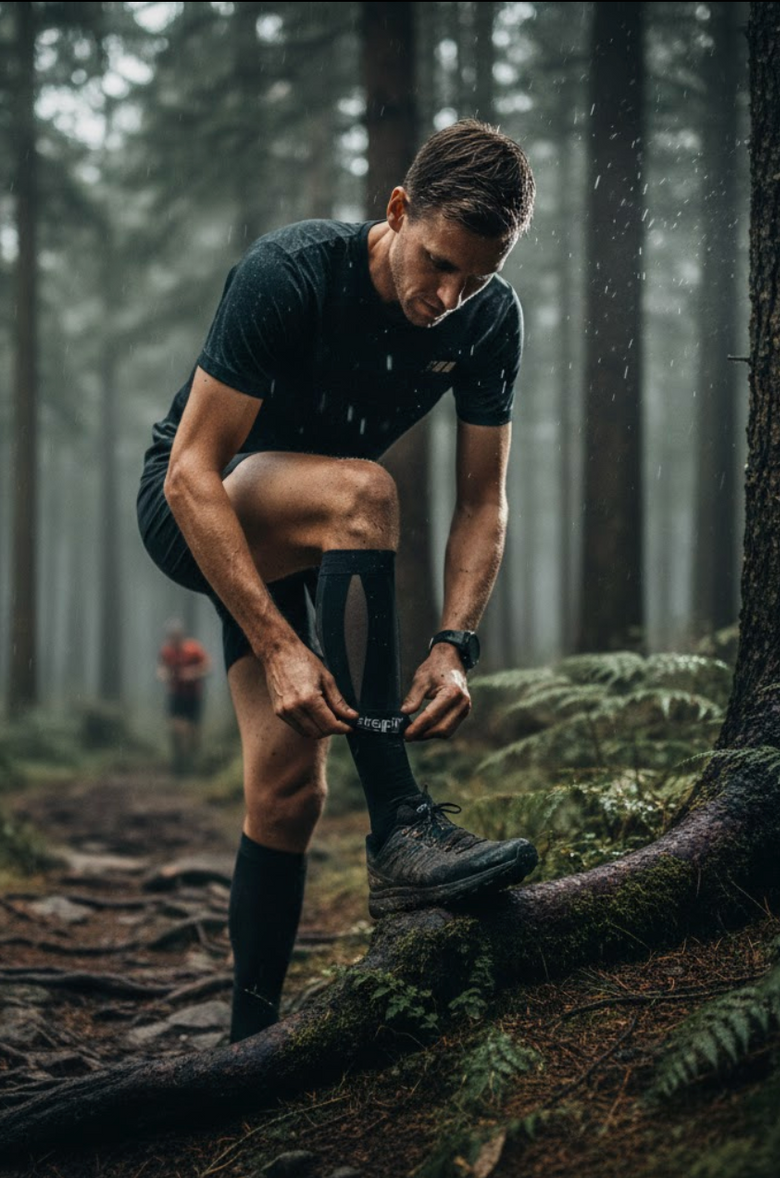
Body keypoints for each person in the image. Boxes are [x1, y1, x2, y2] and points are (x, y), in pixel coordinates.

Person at [137, 119, 538, 1043]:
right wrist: (279, 646)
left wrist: (453, 645)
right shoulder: (292, 271)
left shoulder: (489, 318)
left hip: (313, 535)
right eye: (436, 261)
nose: (448, 295)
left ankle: (251, 1045)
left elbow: (485, 501)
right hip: (197, 514)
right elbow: (190, 472)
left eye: (474, 277)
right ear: (398, 210)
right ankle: (401, 823)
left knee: (288, 791)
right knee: (365, 489)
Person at [156, 619, 211, 774]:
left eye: (176, 636)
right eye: (171, 636)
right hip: (176, 694)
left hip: (193, 695)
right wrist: (165, 675)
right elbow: (161, 669)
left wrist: (192, 673)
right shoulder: (167, 652)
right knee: (176, 728)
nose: (174, 639)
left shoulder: (193, 649)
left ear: (181, 636)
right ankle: (178, 761)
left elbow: (207, 667)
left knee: (193, 731)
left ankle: (192, 762)